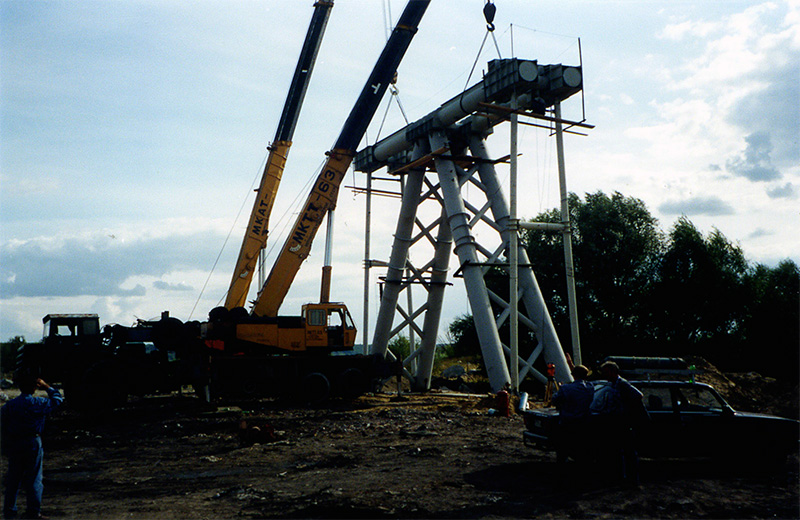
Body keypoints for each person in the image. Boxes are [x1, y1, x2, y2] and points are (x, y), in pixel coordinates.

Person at [2, 370, 63, 519]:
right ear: (35, 387)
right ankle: (33, 512)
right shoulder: (38, 403)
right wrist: (47, 386)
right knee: (34, 478)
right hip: (32, 441)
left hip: (15, 442)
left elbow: (2, 424)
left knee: (13, 479)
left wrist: (5, 443)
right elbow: (57, 400)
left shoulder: (10, 406)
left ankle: (9, 512)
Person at [590, 360, 647, 483]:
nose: (603, 375)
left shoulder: (622, 384)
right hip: (616, 421)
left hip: (623, 422)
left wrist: (626, 409)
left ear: (612, 372)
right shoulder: (613, 384)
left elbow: (638, 395)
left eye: (605, 372)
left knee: (628, 451)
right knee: (618, 451)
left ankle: (632, 478)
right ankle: (622, 477)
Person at [551, 365, 594, 462]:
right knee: (581, 449)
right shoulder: (590, 387)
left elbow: (554, 400)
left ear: (573, 375)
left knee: (563, 449)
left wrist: (559, 389)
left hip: (568, 422)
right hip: (584, 422)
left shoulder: (566, 388)